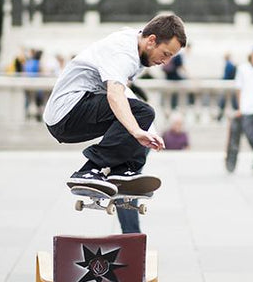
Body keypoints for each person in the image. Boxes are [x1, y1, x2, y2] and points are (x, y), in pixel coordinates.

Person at [43, 14, 187, 200]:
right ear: (152, 41)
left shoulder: (137, 46)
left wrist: (148, 131)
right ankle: (89, 170)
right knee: (141, 114)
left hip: (74, 111)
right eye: (166, 54)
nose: (165, 62)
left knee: (143, 118)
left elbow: (126, 95)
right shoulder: (123, 51)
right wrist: (136, 130)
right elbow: (115, 95)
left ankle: (124, 171)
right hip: (66, 112)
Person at [217, 52, 238, 120]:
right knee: (231, 100)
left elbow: (226, 76)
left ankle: (220, 116)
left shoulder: (228, 65)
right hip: (230, 84)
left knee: (224, 101)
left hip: (228, 85)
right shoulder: (231, 64)